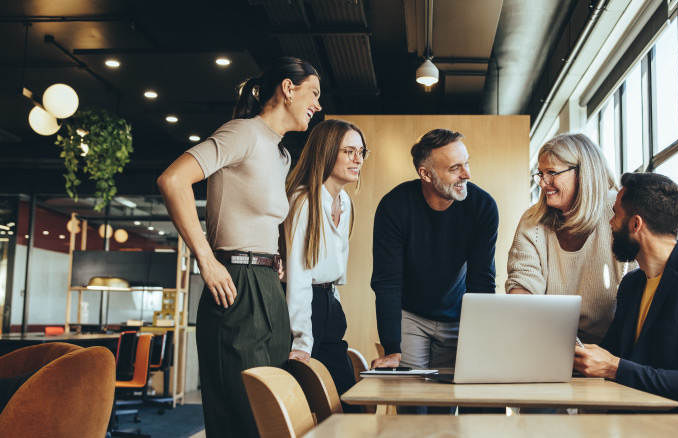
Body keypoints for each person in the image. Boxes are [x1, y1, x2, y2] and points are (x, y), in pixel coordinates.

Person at [157, 57, 322, 438]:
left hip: (267, 286)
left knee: (272, 416)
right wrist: (206, 259)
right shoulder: (243, 133)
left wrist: (275, 256)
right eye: (313, 93)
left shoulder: (282, 154)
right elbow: (173, 181)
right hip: (233, 283)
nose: (317, 104)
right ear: (287, 88)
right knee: (243, 418)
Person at [506, 133, 678, 344]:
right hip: (552, 340)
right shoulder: (534, 221)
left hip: (615, 344)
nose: (543, 183)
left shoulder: (618, 209)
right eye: (540, 174)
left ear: (583, 173)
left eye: (551, 173)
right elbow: (523, 285)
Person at [574, 172, 678, 413]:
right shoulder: (632, 284)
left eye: (615, 214)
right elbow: (611, 355)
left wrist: (614, 368)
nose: (610, 223)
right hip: (635, 420)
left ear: (635, 224)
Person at [370, 128, 499, 381]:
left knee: (446, 400)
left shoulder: (483, 207)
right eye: (455, 168)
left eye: (467, 164)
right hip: (411, 315)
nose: (467, 175)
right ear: (425, 174)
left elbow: (482, 280)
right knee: (411, 398)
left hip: (459, 314)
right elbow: (387, 282)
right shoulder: (394, 206)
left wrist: (482, 340)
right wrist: (392, 348)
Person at [283, 119, 367, 412]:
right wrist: (302, 340)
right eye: (349, 151)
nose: (358, 159)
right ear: (327, 152)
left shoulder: (344, 202)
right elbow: (298, 275)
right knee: (303, 406)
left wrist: (335, 305)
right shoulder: (303, 200)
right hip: (305, 308)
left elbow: (335, 270)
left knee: (347, 402)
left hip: (330, 304)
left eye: (361, 152)